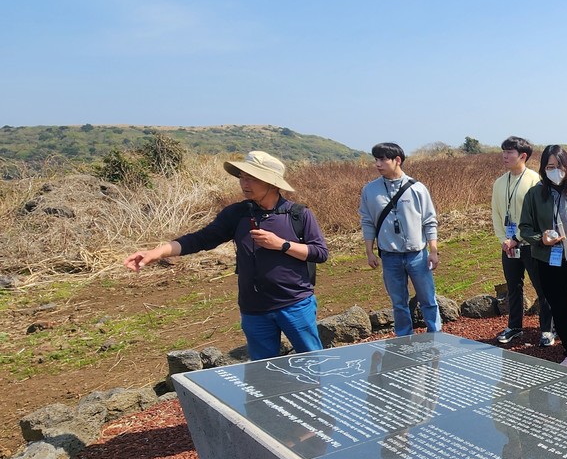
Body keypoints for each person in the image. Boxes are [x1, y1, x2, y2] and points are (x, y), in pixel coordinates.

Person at [124, 151, 329, 360]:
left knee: (314, 364)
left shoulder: (298, 214)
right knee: (265, 375)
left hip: (295, 305)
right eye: (242, 177)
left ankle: (321, 395)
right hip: (254, 310)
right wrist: (156, 253)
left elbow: (320, 253)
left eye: (252, 178)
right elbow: (200, 239)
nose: (244, 183)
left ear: (272, 183)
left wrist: (281, 245)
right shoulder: (237, 214)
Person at [519, 145, 567, 368]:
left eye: (559, 166)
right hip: (548, 260)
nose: (555, 171)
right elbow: (524, 228)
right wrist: (540, 238)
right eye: (550, 166)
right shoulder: (535, 194)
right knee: (559, 307)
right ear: (544, 168)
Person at [359, 142, 441, 337]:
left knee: (428, 298)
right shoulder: (370, 190)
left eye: (382, 159)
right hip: (389, 256)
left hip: (417, 255)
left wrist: (433, 250)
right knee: (398, 302)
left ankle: (436, 336)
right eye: (376, 159)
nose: (378, 164)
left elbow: (429, 221)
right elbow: (367, 222)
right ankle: (404, 339)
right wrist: (369, 252)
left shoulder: (417, 188)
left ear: (397, 160)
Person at [491, 136, 554, 346]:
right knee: (513, 287)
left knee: (542, 287)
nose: (505, 156)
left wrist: (516, 238)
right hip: (508, 246)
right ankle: (515, 326)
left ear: (523, 156)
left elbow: (537, 216)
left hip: (531, 245)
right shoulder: (500, 182)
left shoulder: (535, 180)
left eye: (510, 152)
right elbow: (496, 214)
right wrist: (504, 239)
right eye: (504, 151)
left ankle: (547, 329)